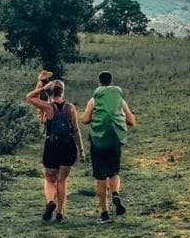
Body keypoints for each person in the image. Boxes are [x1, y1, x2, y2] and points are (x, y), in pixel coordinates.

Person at [25, 70, 83, 222]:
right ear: (63, 92)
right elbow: (76, 130)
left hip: (52, 146)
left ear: (50, 91)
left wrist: (43, 88)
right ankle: (60, 213)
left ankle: (50, 202)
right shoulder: (70, 108)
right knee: (62, 180)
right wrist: (81, 150)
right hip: (68, 146)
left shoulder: (48, 108)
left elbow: (29, 97)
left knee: (50, 179)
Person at [80, 70, 137, 223]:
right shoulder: (120, 100)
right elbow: (132, 121)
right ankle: (116, 194)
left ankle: (104, 213)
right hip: (114, 142)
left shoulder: (94, 100)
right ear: (112, 82)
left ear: (99, 83)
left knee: (100, 178)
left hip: (98, 143)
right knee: (114, 172)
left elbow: (84, 120)